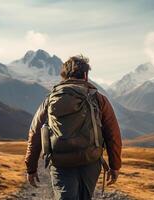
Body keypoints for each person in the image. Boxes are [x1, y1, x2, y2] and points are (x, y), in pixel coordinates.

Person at [25, 55, 122, 200]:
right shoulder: (98, 99)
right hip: (90, 161)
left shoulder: (51, 99)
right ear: (85, 75)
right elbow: (113, 134)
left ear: (64, 76)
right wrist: (114, 166)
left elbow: (35, 133)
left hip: (60, 162)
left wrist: (31, 168)